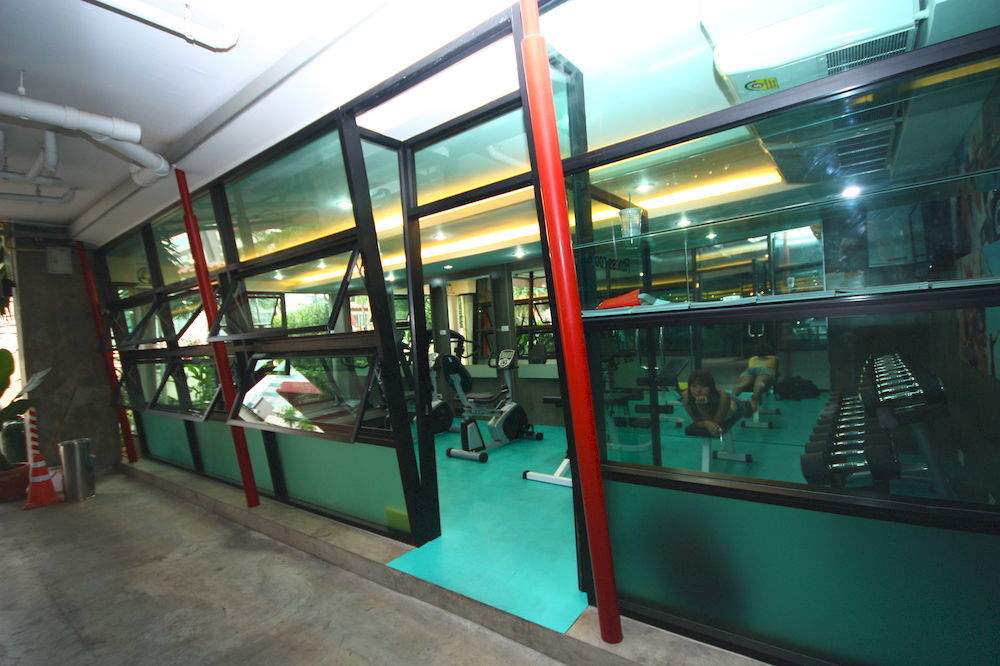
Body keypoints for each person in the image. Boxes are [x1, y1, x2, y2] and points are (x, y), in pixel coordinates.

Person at [682, 369, 750, 437]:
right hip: (717, 399)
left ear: (710, 387)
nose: (698, 390)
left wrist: (701, 408)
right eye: (694, 386)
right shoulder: (686, 395)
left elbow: (715, 424)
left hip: (734, 405)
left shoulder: (723, 397)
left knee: (748, 413)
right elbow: (696, 421)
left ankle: (746, 403)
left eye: (703, 386)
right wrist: (706, 423)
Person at [733, 344, 778, 412]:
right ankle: (755, 397)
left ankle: (733, 400)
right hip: (763, 370)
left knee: (744, 384)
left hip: (752, 370)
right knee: (759, 383)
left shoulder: (752, 359)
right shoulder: (774, 358)